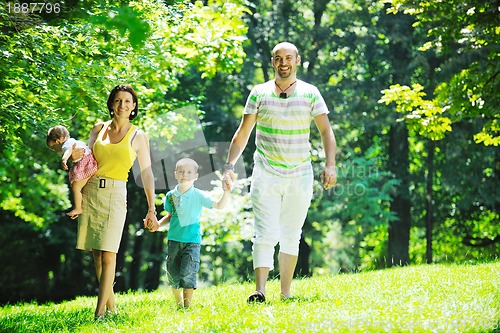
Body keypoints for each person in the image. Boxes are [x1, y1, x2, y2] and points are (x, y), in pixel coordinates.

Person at [222, 42, 337, 303]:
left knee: (291, 234)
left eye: (288, 58)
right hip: (266, 171)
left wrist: (330, 164)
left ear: (297, 60)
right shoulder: (259, 93)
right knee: (263, 231)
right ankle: (260, 290)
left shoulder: (311, 93)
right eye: (278, 58)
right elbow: (243, 133)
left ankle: (285, 292)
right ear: (272, 62)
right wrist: (229, 166)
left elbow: (326, 131)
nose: (283, 63)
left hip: (300, 173)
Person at [71, 84, 159, 320]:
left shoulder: (138, 136)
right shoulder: (98, 129)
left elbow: (147, 172)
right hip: (90, 192)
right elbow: (86, 161)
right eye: (118, 100)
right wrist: (72, 156)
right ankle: (111, 309)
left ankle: (98, 314)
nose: (123, 105)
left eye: (128, 101)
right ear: (111, 104)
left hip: (115, 195)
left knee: (110, 254)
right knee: (97, 254)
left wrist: (152, 208)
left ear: (134, 107)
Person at [156, 157, 231, 308]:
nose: (185, 174)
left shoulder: (198, 195)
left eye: (189, 172)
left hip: (192, 241)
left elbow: (219, 205)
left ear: (196, 176)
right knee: (173, 274)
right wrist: (157, 225)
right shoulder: (171, 196)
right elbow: (170, 216)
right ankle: (179, 305)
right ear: (175, 174)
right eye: (181, 171)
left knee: (188, 273)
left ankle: (187, 307)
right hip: (174, 240)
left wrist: (226, 192)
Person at [46, 125, 98, 219]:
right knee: (78, 186)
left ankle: (78, 208)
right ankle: (78, 207)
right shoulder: (73, 141)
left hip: (85, 164)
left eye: (54, 148)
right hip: (87, 161)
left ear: (58, 141)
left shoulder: (66, 144)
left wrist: (64, 159)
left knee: (76, 187)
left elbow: (68, 150)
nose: (55, 151)